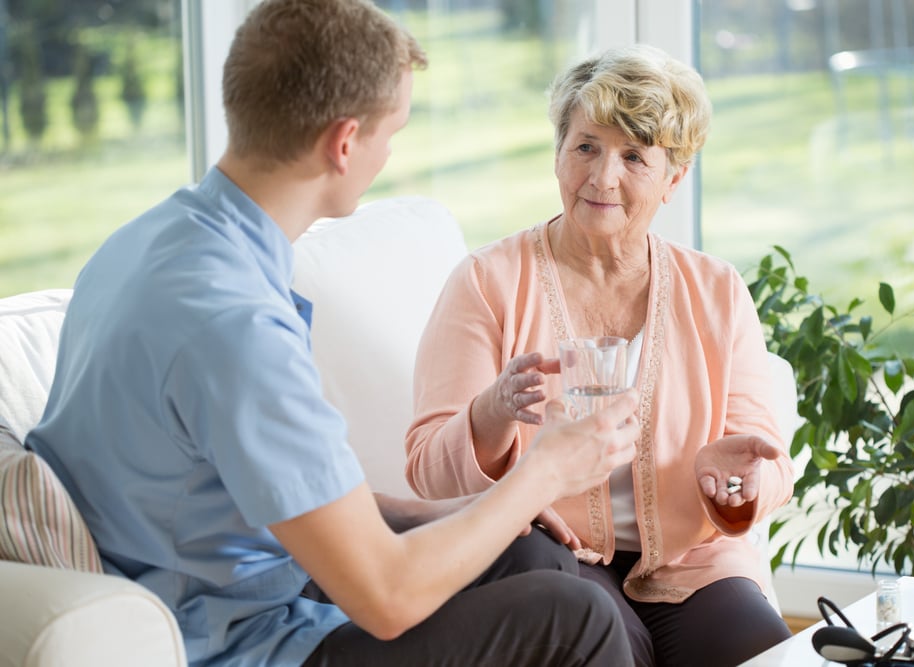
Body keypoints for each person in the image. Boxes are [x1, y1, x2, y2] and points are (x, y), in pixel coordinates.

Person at [25, 2, 642, 666]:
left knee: (528, 551)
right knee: (576, 616)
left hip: (241, 585)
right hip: (244, 641)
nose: (389, 152)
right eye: (392, 131)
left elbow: (272, 487)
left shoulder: (145, 243)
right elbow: (386, 596)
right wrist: (545, 469)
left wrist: (478, 505)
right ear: (345, 143)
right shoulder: (236, 327)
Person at [405, 44, 796, 667]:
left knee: (761, 652)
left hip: (692, 565)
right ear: (559, 151)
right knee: (613, 647)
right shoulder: (487, 281)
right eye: (586, 145)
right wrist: (493, 412)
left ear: (674, 177)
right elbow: (427, 469)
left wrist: (737, 482)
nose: (602, 176)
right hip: (548, 555)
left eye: (634, 156)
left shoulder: (718, 291)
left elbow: (768, 463)